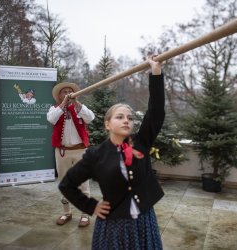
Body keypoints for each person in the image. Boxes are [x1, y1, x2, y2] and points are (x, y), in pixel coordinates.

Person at [59, 56, 165, 249]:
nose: (127, 120)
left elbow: (156, 112)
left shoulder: (141, 142)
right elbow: (67, 185)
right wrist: (92, 206)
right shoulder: (96, 155)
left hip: (144, 222)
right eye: (120, 117)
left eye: (130, 118)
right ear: (107, 124)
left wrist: (156, 73)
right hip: (113, 225)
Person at [47, 82, 95, 227]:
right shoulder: (54, 109)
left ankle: (85, 213)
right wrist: (63, 104)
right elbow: (51, 119)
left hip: (80, 150)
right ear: (59, 96)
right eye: (64, 92)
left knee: (83, 183)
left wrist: (76, 102)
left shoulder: (80, 108)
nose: (67, 93)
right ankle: (66, 212)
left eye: (70, 91)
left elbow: (90, 118)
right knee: (64, 183)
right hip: (62, 152)